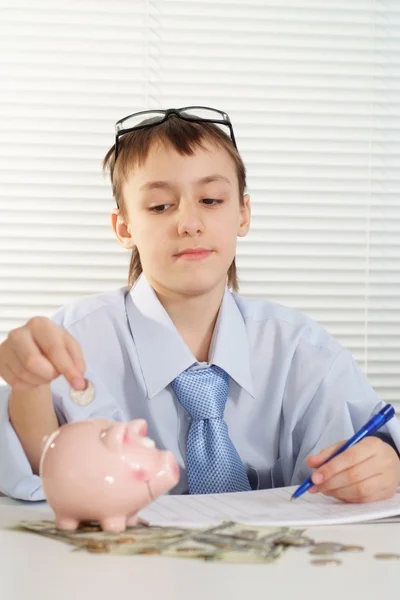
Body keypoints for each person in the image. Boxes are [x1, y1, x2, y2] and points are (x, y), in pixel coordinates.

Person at [0, 107, 399, 503]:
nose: (189, 222)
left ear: (243, 213)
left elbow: (372, 441)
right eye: (159, 206)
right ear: (124, 228)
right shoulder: (72, 341)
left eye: (210, 199)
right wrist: (28, 386)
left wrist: (386, 462)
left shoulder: (301, 350)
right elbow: (39, 479)